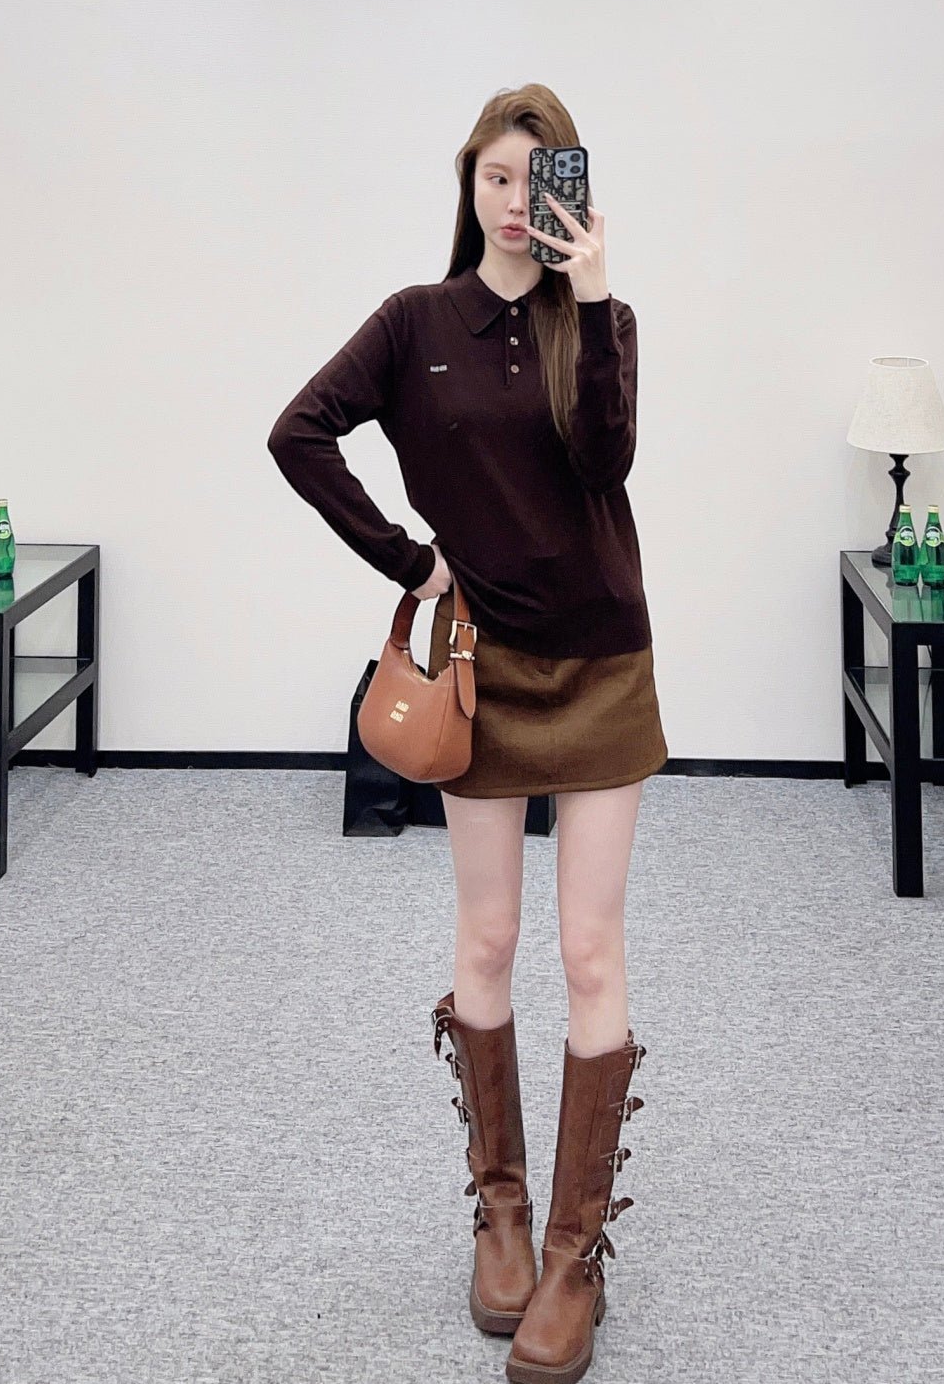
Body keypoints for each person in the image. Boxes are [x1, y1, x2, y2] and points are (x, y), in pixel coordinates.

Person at [267, 82, 668, 1384]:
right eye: (498, 177)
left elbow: (603, 465)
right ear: (470, 185)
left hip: (601, 659)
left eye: (538, 180)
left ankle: (575, 1251)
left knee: (590, 949)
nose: (514, 202)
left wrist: (592, 297)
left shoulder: (600, 322)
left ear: (569, 192)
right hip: (479, 670)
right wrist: (408, 559)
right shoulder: (415, 323)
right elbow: (299, 433)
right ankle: (500, 1209)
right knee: (488, 936)